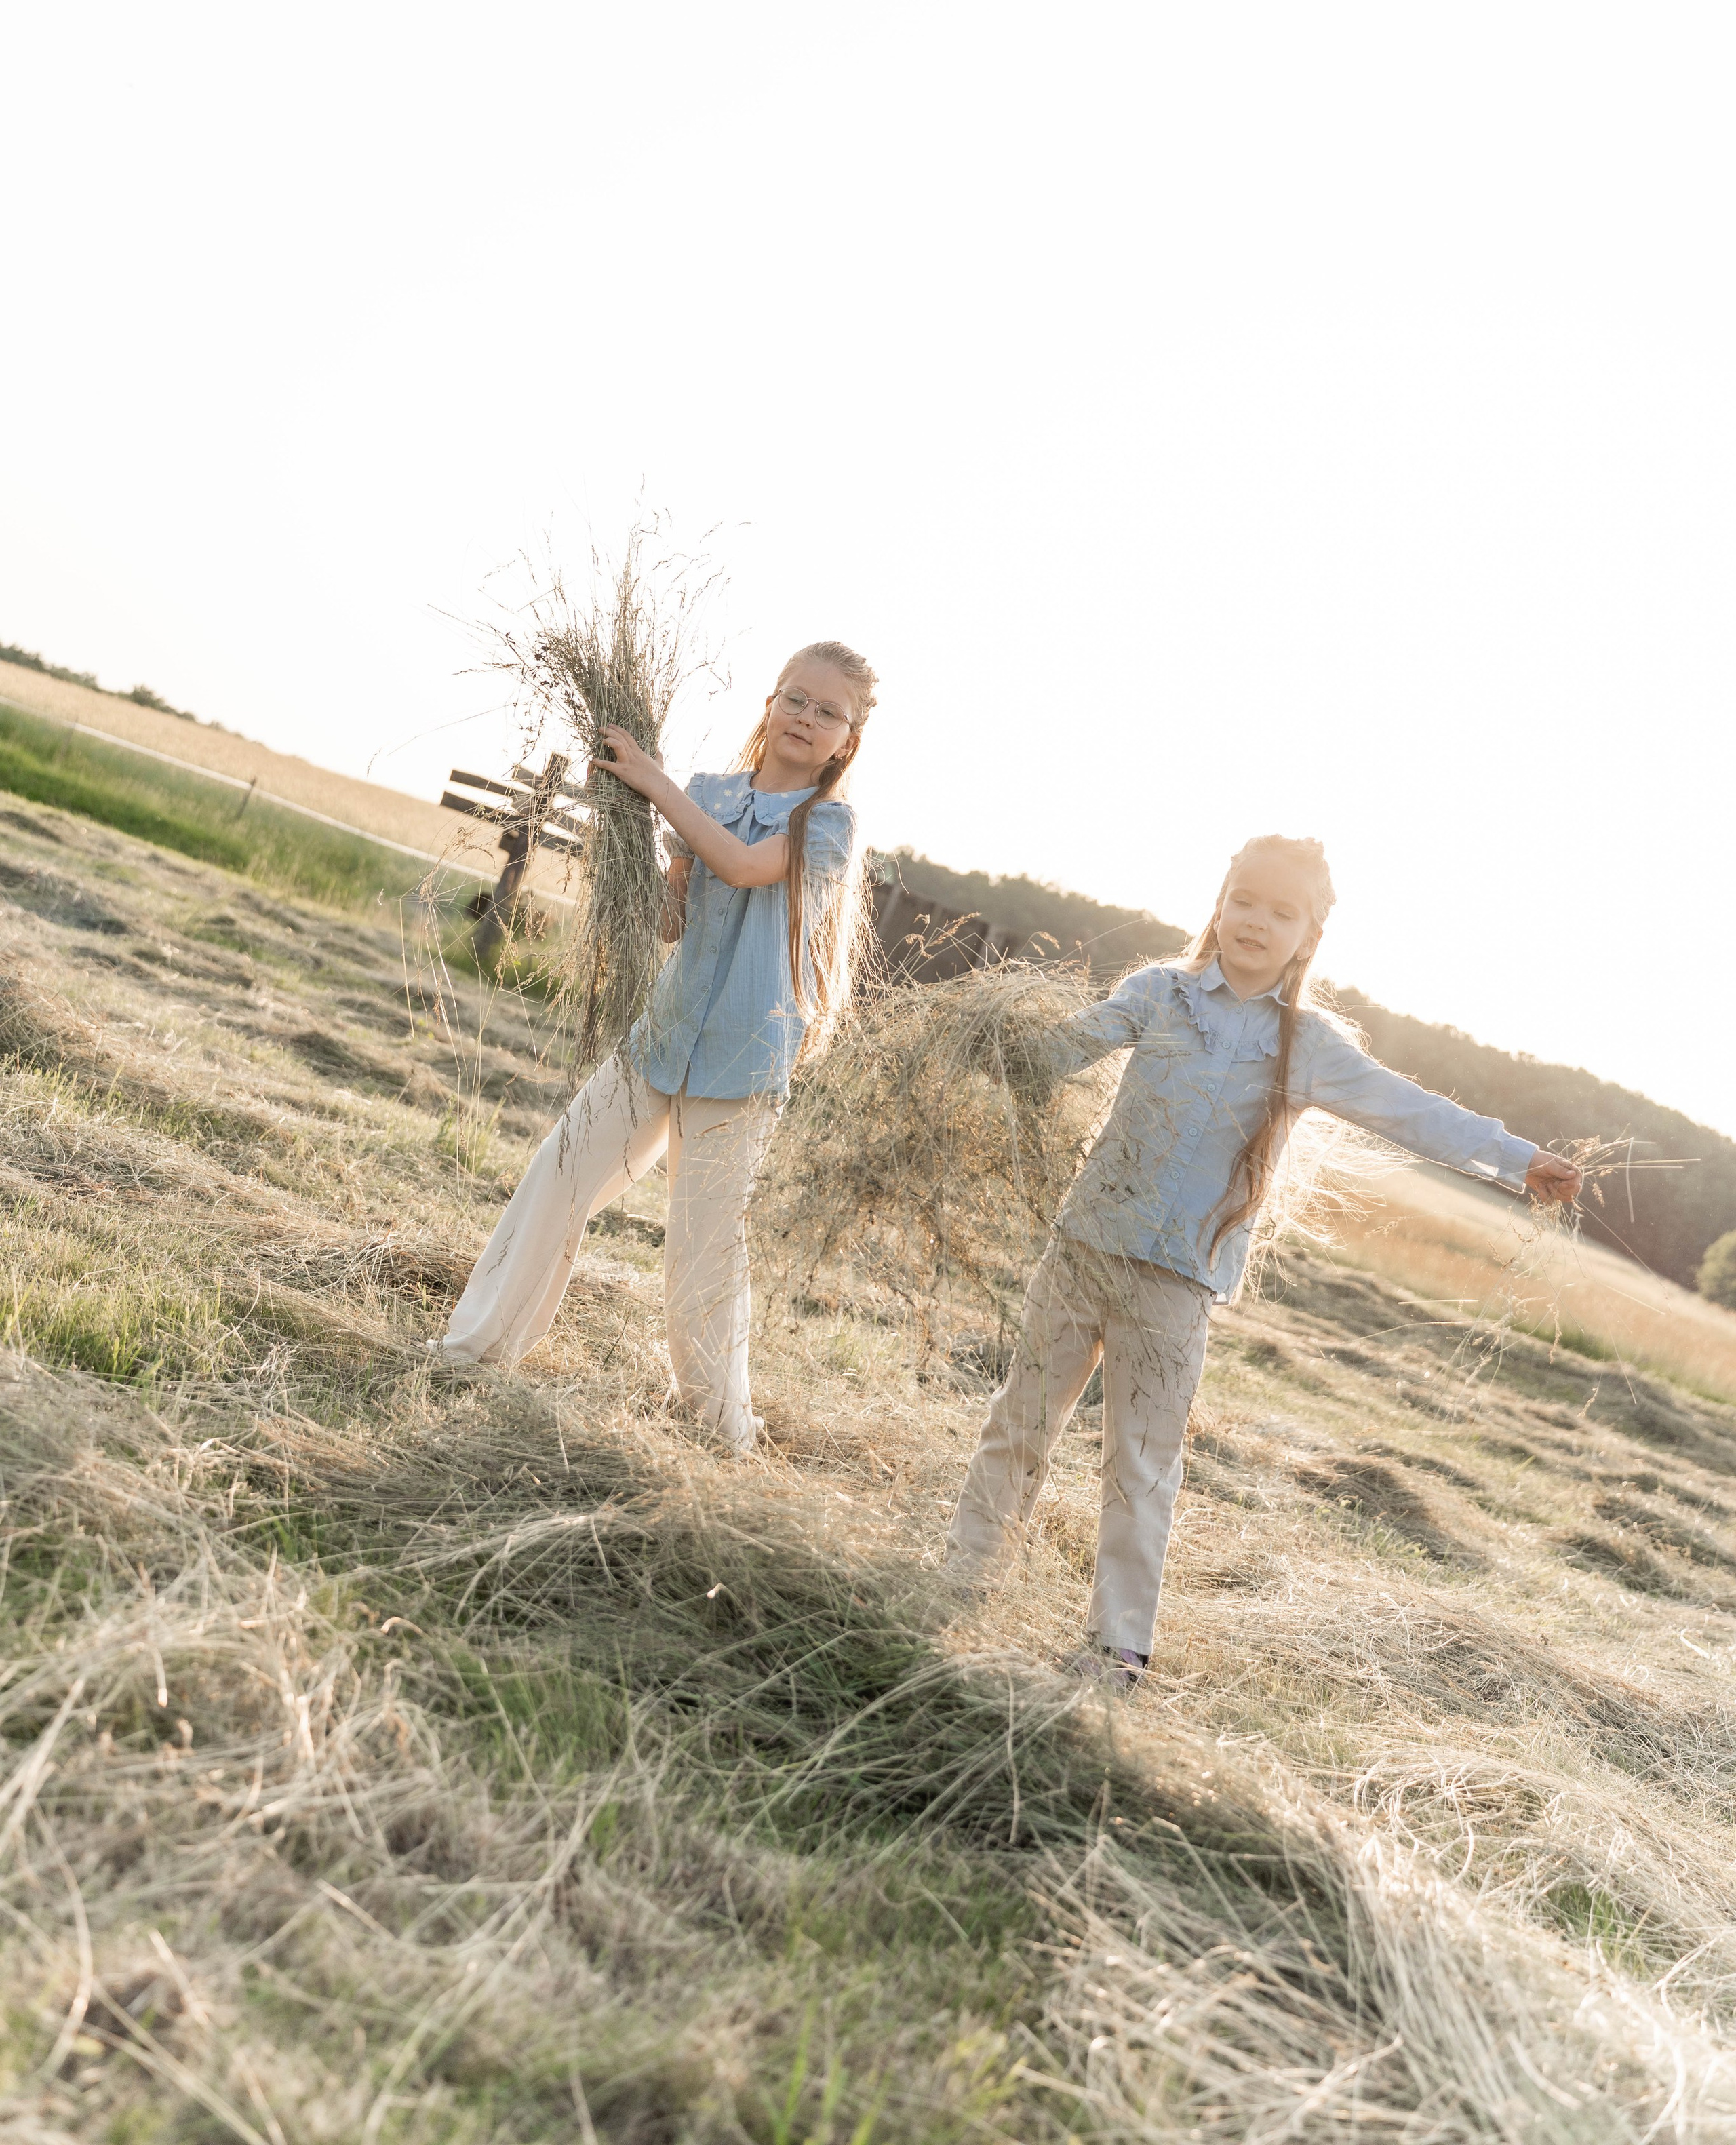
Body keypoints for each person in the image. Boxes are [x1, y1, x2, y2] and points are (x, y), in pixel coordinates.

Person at [945, 834, 1583, 1687]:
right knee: (1019, 1421)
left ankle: (1117, 1649)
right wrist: (988, 1045)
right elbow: (1064, 1050)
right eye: (1245, 899)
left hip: (1177, 1281)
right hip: (1084, 1248)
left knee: (1140, 1464)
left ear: (1308, 936)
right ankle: (964, 1577)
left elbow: (1409, 1110)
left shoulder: (1304, 1046)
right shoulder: (1159, 992)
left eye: (1282, 912)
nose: (1256, 920)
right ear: (1219, 901)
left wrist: (1515, 1159)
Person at [437, 642, 876, 1449]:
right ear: (770, 705)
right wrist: (632, 846)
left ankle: (718, 1430)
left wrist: (652, 783)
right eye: (795, 700)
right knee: (554, 1184)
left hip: (742, 1064)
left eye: (828, 713)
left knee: (705, 1253)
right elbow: (673, 920)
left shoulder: (828, 824)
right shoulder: (707, 793)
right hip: (659, 1039)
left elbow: (744, 867)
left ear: (847, 739)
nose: (806, 720)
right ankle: (471, 1353)